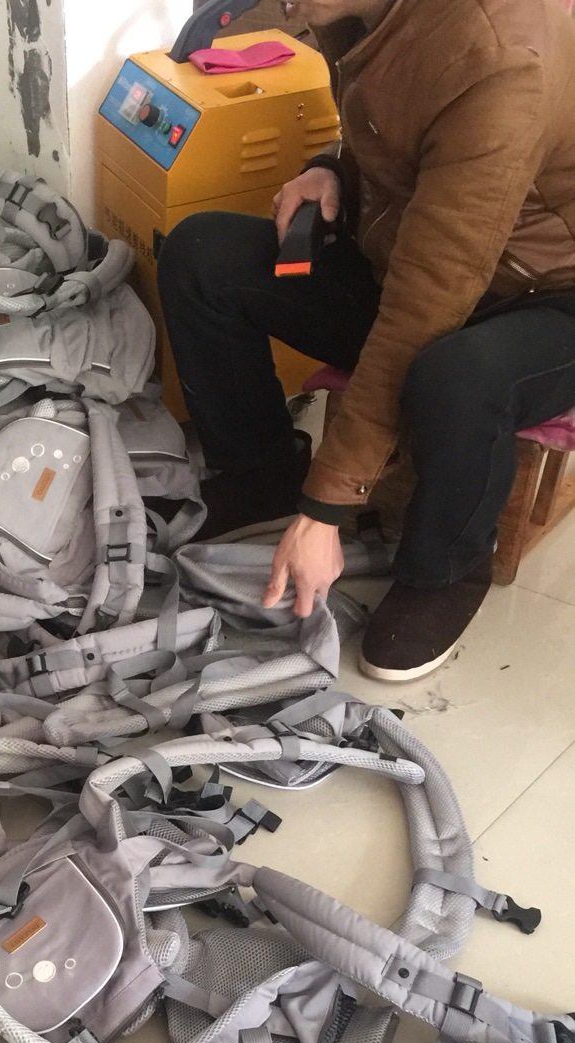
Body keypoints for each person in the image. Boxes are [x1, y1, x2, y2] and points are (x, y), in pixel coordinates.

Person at [156, 0, 575, 681]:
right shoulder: (357, 9)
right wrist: (334, 168)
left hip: (548, 292)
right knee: (202, 255)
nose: (283, 3)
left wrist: (327, 507)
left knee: (456, 375)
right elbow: (404, 133)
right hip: (419, 248)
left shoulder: (504, 60)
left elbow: (426, 303)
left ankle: (447, 567)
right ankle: (261, 472)